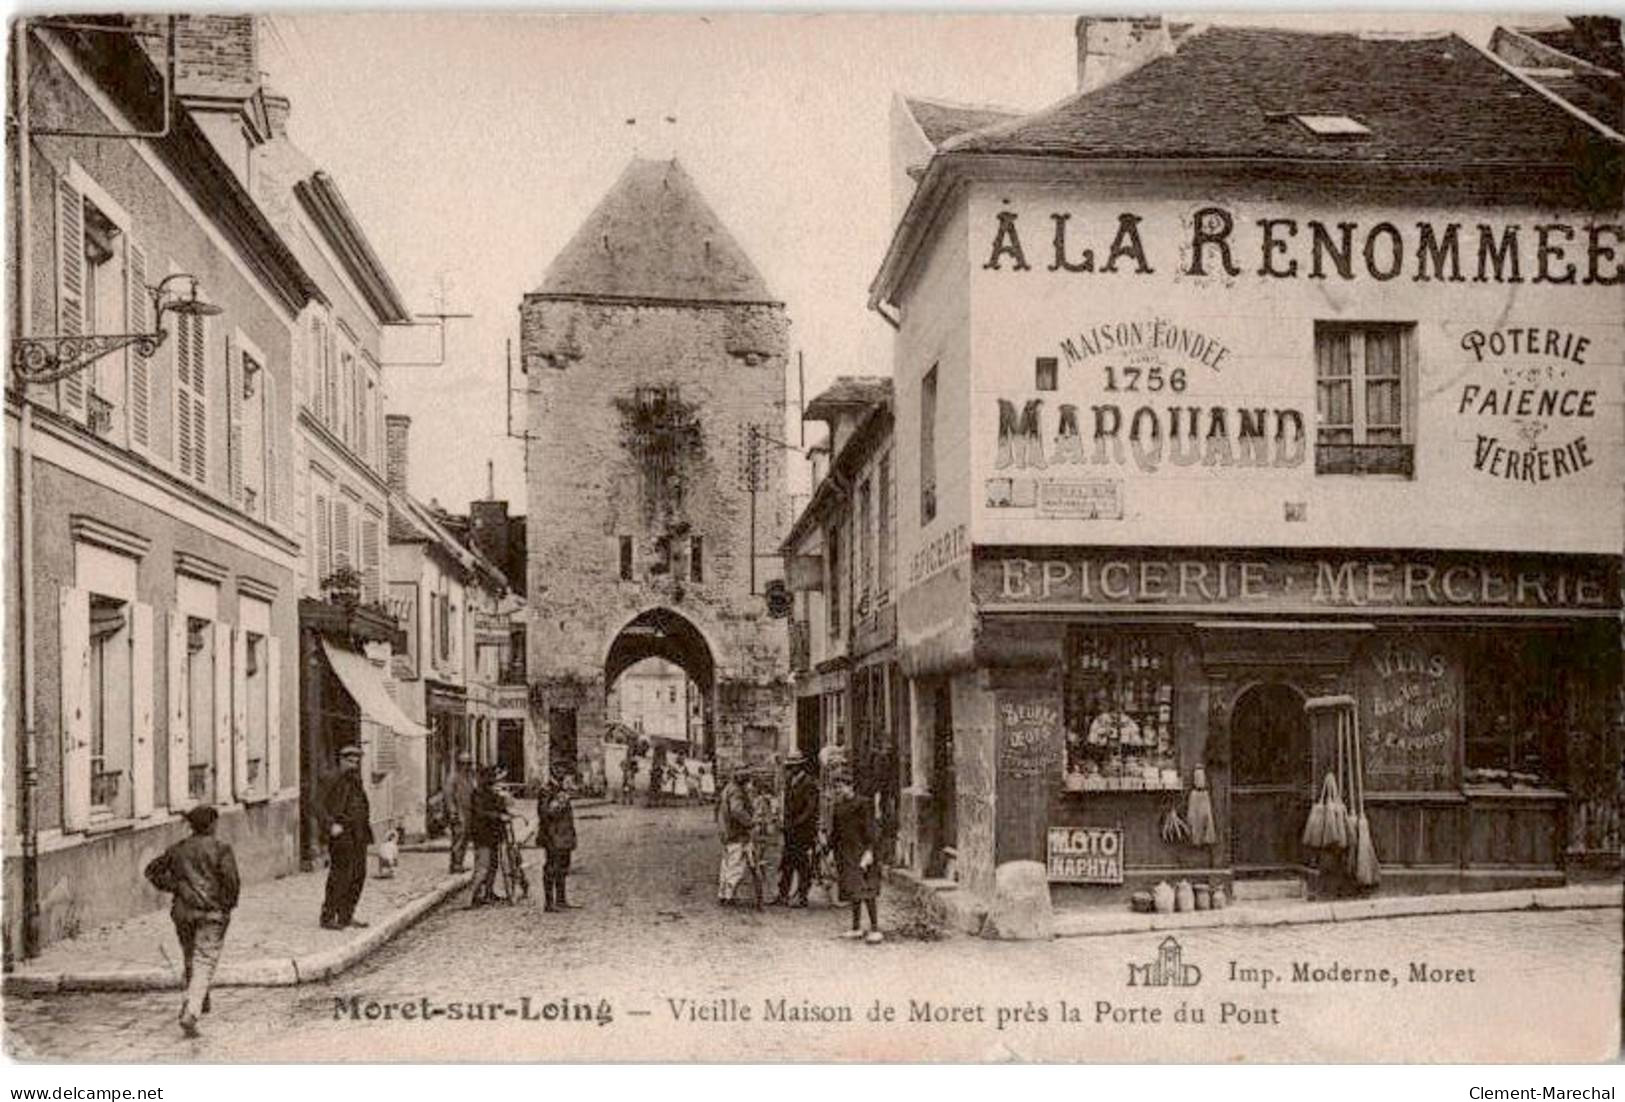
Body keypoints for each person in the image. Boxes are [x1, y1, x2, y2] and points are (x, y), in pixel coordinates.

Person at [144, 805, 240, 1038]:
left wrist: (176, 887)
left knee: (190, 956)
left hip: (183, 913)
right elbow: (232, 882)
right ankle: (192, 1011)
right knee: (205, 960)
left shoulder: (178, 849)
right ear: (211, 825)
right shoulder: (221, 849)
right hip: (211, 914)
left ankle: (198, 998)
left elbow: (152, 871)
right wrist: (225, 906)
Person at [319, 743, 372, 930]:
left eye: (357, 761)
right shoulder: (331, 778)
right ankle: (327, 916)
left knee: (358, 875)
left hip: (359, 834)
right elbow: (316, 804)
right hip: (342, 833)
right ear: (341, 760)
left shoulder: (356, 781)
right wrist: (330, 825)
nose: (354, 765)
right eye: (350, 761)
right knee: (340, 875)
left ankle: (346, 915)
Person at [830, 772, 883, 943]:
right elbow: (836, 833)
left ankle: (875, 928)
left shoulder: (863, 804)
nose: (838, 790)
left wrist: (869, 851)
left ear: (850, 786)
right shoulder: (838, 807)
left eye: (841, 786)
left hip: (862, 851)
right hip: (845, 852)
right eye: (836, 787)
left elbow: (871, 828)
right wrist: (830, 850)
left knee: (867, 890)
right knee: (853, 891)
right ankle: (856, 927)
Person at [773, 753, 817, 907]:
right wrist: (784, 823)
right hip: (790, 830)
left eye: (792, 767)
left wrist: (796, 823)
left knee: (802, 864)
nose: (790, 769)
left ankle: (802, 896)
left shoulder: (809, 783)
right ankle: (783, 894)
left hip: (803, 831)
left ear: (800, 766)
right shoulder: (789, 781)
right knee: (786, 863)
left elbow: (810, 810)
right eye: (789, 767)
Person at [537, 772, 580, 911]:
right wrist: (560, 803)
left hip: (563, 835)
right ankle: (549, 903)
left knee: (563, 867)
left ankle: (561, 900)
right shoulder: (546, 790)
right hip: (552, 835)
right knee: (551, 868)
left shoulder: (560, 789)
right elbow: (545, 813)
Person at [467, 766, 509, 907]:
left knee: (493, 865)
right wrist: (498, 815)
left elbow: (502, 809)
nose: (498, 782)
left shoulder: (495, 794)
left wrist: (503, 800)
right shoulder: (478, 794)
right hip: (482, 834)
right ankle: (470, 898)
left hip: (494, 834)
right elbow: (480, 813)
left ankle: (489, 893)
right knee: (483, 867)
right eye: (495, 779)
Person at [715, 766, 754, 906]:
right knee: (736, 864)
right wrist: (750, 822)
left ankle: (723, 894)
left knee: (726, 864)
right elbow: (737, 811)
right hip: (735, 832)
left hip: (726, 831)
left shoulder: (728, 788)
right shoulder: (737, 791)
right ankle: (729, 896)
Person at [445, 751, 476, 873]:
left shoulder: (469, 777)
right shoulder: (453, 778)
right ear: (459, 764)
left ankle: (459, 862)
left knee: (465, 839)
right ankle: (455, 865)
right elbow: (448, 796)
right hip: (459, 812)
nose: (467, 766)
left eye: (469, 763)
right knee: (458, 839)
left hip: (468, 812)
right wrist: (452, 812)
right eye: (464, 763)